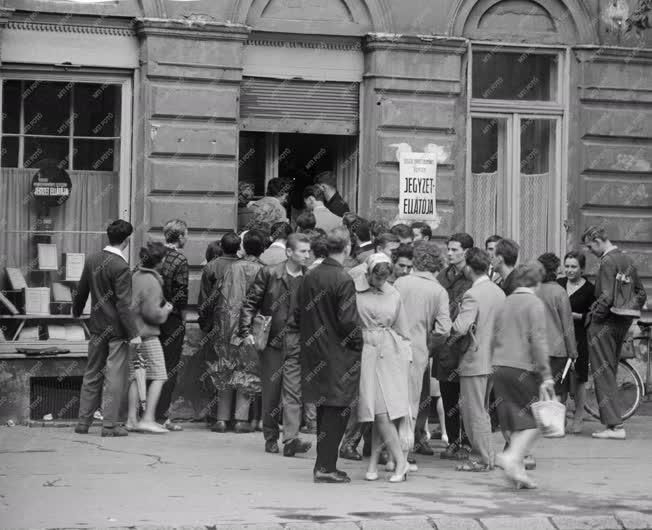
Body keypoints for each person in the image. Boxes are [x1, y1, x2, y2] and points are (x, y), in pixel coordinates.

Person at [296, 227, 363, 483]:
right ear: (347, 248)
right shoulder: (342, 278)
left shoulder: (310, 275)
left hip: (315, 350)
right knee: (337, 410)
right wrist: (358, 342)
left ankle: (323, 464)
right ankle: (325, 466)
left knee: (325, 409)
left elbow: (298, 313)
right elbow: (348, 320)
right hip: (338, 354)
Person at [240, 233, 313, 457]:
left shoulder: (309, 277)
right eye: (302, 251)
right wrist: (245, 330)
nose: (307, 255)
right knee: (271, 392)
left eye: (308, 251)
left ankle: (291, 439)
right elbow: (251, 301)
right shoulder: (270, 272)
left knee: (294, 392)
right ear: (289, 252)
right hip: (272, 339)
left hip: (298, 340)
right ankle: (270, 436)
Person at [73, 220, 141, 437]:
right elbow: (123, 304)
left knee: (92, 373)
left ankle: (83, 423)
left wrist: (75, 312)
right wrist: (134, 333)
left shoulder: (93, 259)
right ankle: (109, 425)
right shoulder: (121, 266)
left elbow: (81, 289)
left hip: (96, 326)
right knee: (114, 377)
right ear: (127, 241)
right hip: (116, 330)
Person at [492, 263, 555, 489]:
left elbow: (493, 334)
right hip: (522, 367)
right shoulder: (534, 303)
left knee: (513, 418)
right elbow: (538, 340)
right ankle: (512, 457)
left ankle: (517, 473)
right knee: (535, 419)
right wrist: (546, 374)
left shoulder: (505, 302)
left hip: (498, 365)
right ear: (537, 283)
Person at [582, 226, 647, 439]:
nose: (589, 250)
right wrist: (628, 315)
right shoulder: (626, 259)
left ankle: (614, 426)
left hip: (604, 324)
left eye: (590, 245)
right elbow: (641, 293)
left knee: (602, 372)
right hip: (620, 323)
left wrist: (594, 317)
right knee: (608, 371)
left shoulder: (608, 261)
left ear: (598, 240)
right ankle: (614, 424)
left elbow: (606, 298)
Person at [355, 253, 412, 483]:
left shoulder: (394, 293)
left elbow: (403, 328)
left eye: (384, 279)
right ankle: (379, 461)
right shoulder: (355, 287)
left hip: (391, 352)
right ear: (368, 273)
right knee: (378, 411)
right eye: (376, 278)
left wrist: (407, 358)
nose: (380, 283)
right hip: (367, 350)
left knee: (383, 411)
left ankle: (399, 461)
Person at [448, 248, 505, 472]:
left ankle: (480, 458)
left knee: (474, 411)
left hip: (475, 358)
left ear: (470, 268)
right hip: (494, 358)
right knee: (482, 410)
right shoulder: (499, 292)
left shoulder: (473, 294)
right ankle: (487, 456)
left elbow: (461, 327)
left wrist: (448, 326)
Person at [393, 241, 451, 464]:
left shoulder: (400, 282)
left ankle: (388, 453)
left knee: (391, 400)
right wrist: (430, 346)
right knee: (411, 403)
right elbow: (444, 329)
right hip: (418, 350)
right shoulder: (438, 291)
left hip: (392, 347)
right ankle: (403, 457)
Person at [208, 230, 267, 434]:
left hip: (227, 323)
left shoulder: (231, 268)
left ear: (243, 247)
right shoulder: (264, 271)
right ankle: (241, 419)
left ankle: (221, 419)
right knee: (247, 370)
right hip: (251, 326)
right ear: (263, 248)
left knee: (225, 368)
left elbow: (220, 295)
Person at [126, 242, 174, 434]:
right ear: (160, 261)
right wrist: (166, 310)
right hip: (147, 335)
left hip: (133, 333)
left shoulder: (136, 276)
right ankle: (148, 418)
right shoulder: (152, 282)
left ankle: (131, 419)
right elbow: (152, 314)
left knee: (136, 377)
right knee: (160, 375)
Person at [197, 232, 241, 431]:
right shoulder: (244, 266)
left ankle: (217, 417)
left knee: (216, 369)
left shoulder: (211, 267)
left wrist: (204, 324)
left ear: (222, 246)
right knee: (239, 370)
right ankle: (238, 417)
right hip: (240, 326)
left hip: (217, 325)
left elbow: (204, 300)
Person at [435, 233, 473, 460]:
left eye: (454, 249)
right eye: (448, 249)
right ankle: (453, 441)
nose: (449, 253)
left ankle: (468, 443)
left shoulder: (473, 277)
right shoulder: (442, 276)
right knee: (448, 395)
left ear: (466, 252)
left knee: (467, 398)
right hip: (444, 344)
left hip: (466, 345)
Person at [557, 250, 596, 434]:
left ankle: (579, 416)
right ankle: (561, 417)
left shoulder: (590, 289)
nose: (569, 270)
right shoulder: (559, 284)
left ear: (582, 269)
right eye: (567, 266)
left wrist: (576, 316)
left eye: (574, 267)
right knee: (560, 378)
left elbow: (594, 315)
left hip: (579, 337)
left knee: (579, 378)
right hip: (558, 337)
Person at [156, 219, 189, 432]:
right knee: (169, 367)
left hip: (150, 316)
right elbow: (181, 292)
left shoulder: (154, 254)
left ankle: (147, 412)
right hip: (172, 318)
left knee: (150, 365)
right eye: (186, 234)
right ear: (180, 237)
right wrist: (183, 314)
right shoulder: (180, 259)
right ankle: (162, 415)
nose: (187, 238)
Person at [537, 253, 577, 403]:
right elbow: (568, 325)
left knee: (538, 391)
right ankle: (555, 424)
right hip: (557, 351)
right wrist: (573, 352)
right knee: (557, 392)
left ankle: (540, 423)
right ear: (554, 271)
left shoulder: (533, 290)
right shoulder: (559, 292)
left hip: (536, 350)